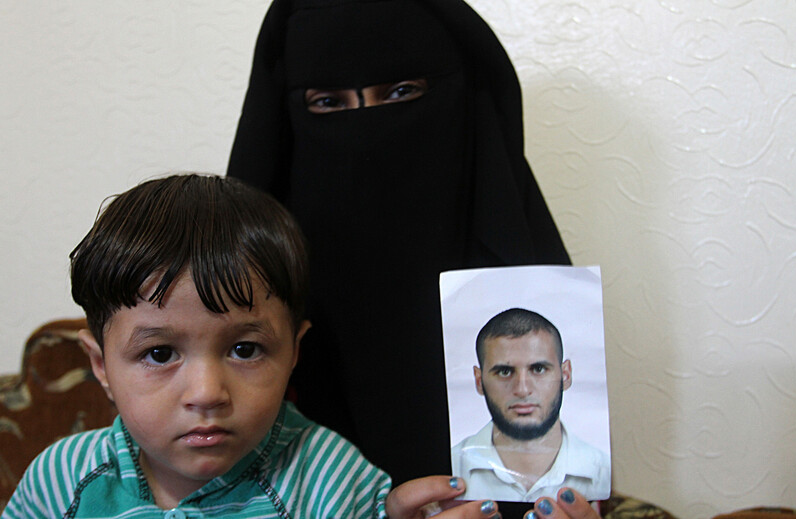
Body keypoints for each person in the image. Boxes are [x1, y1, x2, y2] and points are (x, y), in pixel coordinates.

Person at [227, 3, 572, 511]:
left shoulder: (541, 304)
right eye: (327, 103)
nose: (367, 129)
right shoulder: (238, 329)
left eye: (401, 93)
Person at [0, 174, 504, 519]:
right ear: (100, 365)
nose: (206, 393)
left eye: (244, 350)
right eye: (159, 354)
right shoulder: (62, 480)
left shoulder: (329, 480)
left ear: (293, 352)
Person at [452, 309, 611, 502]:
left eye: (539, 369)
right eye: (504, 372)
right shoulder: (447, 469)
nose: (522, 389)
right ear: (479, 381)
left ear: (566, 375)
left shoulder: (607, 474)